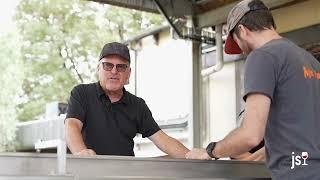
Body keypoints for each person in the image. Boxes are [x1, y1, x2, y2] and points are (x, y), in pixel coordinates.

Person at [186, 0, 320, 179]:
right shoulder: (310, 61)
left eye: (237, 43)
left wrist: (210, 151)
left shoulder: (263, 56)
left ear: (242, 30)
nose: (241, 52)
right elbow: (298, 136)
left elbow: (251, 135)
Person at [65, 42, 190, 158]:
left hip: (125, 173)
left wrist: (189, 155)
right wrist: (80, 152)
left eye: (121, 67)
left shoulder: (137, 105)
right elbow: (72, 125)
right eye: (108, 65)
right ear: (98, 69)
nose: (114, 71)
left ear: (128, 73)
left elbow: (162, 139)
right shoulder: (82, 93)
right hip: (89, 171)